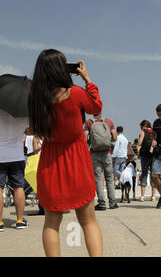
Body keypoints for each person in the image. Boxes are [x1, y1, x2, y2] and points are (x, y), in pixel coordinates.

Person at [28, 50, 103, 256]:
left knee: (51, 223)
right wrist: (87, 79)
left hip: (50, 161)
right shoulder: (75, 93)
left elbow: (35, 127)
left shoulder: (35, 99)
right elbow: (96, 107)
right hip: (77, 157)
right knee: (88, 221)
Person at [0, 110, 30, 232]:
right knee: (18, 187)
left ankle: (0, 222)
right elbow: (29, 131)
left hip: (0, 156)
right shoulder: (21, 113)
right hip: (17, 156)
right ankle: (19, 220)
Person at [84, 112, 118, 211]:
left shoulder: (89, 123)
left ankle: (102, 204)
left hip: (94, 153)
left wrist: (92, 142)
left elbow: (85, 138)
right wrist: (106, 141)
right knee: (109, 178)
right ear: (101, 111)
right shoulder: (108, 121)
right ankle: (112, 203)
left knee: (98, 178)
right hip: (107, 153)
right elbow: (115, 138)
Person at [136, 120, 156, 202]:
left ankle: (142, 196)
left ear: (143, 125)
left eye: (141, 126)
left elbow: (139, 143)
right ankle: (153, 196)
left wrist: (139, 151)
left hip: (145, 156)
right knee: (153, 175)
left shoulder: (143, 132)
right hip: (154, 156)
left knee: (144, 174)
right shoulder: (154, 132)